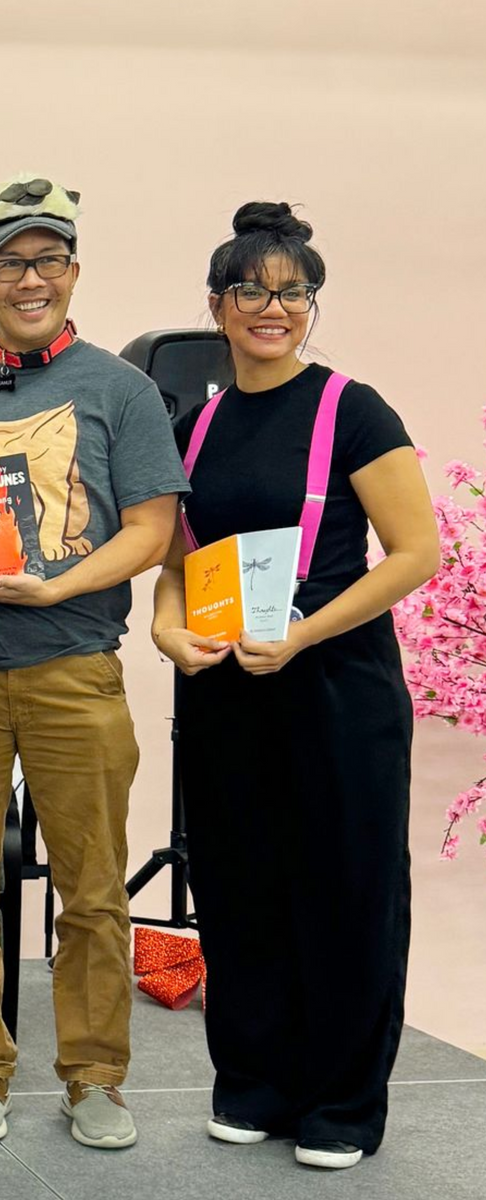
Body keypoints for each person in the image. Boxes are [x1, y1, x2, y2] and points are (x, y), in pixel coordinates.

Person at [0, 175, 187, 1150]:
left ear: (73, 271)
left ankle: (95, 1077)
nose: (30, 279)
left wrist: (58, 590)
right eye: (9, 263)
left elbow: (152, 530)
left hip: (73, 667)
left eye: (47, 260)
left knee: (95, 888)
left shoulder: (123, 388)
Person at [151, 203, 436, 1171]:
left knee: (346, 890)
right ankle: (254, 1083)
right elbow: (181, 561)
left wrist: (306, 633)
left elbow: (414, 552)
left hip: (337, 689)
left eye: (292, 293)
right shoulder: (193, 424)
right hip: (228, 690)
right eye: (252, 291)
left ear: (309, 307)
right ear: (218, 306)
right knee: (238, 887)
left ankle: (343, 1103)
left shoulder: (354, 410)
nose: (272, 308)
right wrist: (164, 629)